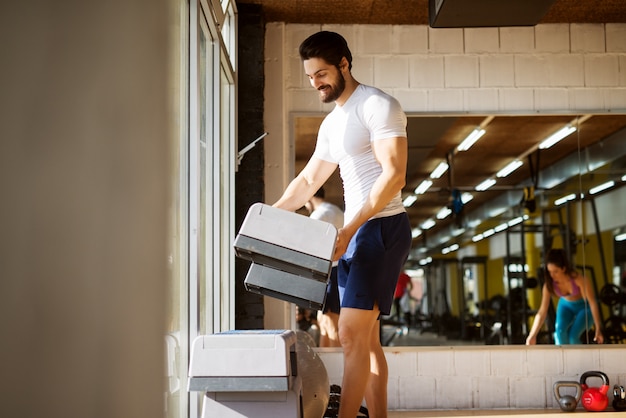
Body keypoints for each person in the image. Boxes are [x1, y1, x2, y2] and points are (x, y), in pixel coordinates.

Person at [272, 31, 411, 418]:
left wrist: (350, 230)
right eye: (310, 77)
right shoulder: (333, 124)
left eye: (321, 74)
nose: (315, 83)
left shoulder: (378, 105)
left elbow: (394, 175)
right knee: (365, 340)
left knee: (349, 334)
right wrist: (266, 218)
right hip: (356, 234)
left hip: (382, 226)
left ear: (344, 64)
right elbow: (306, 182)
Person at [526, 248, 604, 345]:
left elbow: (592, 303)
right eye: (550, 271)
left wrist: (598, 328)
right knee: (559, 333)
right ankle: (563, 360)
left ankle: (578, 359)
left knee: (572, 337)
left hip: (584, 308)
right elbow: (542, 312)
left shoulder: (578, 279)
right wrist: (532, 335)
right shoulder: (548, 285)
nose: (552, 275)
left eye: (555, 271)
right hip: (566, 306)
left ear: (563, 268)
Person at [305, 186, 344, 348]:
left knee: (330, 321)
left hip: (330, 271)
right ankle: (327, 365)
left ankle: (336, 369)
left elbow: (307, 245)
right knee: (323, 320)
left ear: (311, 196)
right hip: (338, 269)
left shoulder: (319, 214)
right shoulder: (336, 211)